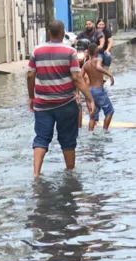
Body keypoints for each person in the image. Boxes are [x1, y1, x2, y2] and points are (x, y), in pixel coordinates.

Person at [28, 20, 96, 177]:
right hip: (66, 103)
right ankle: (70, 171)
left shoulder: (37, 51)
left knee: (41, 138)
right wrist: (90, 98)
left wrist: (32, 97)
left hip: (43, 104)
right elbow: (77, 78)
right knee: (68, 140)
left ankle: (36, 174)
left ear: (49, 33)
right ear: (63, 32)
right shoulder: (70, 52)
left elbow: (31, 75)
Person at [80, 43, 115, 131]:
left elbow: (79, 77)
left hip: (90, 91)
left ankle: (90, 133)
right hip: (99, 91)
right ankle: (105, 131)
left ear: (88, 52)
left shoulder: (85, 64)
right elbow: (98, 67)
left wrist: (78, 92)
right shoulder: (99, 59)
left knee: (93, 116)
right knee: (110, 111)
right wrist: (110, 75)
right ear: (97, 51)